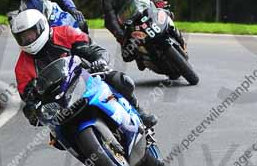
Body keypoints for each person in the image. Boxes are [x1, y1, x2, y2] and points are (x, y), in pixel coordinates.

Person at [10, 8, 157, 129]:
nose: (28, 40)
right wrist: (32, 111)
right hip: (58, 101)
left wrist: (99, 60)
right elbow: (27, 97)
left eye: (30, 34)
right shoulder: (21, 67)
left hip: (86, 76)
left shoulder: (65, 33)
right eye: (23, 37)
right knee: (56, 138)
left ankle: (140, 112)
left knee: (119, 80)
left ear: (42, 26)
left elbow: (93, 49)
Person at [100, 0, 186, 66]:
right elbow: (111, 19)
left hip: (144, 13)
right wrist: (120, 35)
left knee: (167, 14)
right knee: (127, 55)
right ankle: (142, 58)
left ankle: (179, 38)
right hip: (128, 25)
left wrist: (156, 1)